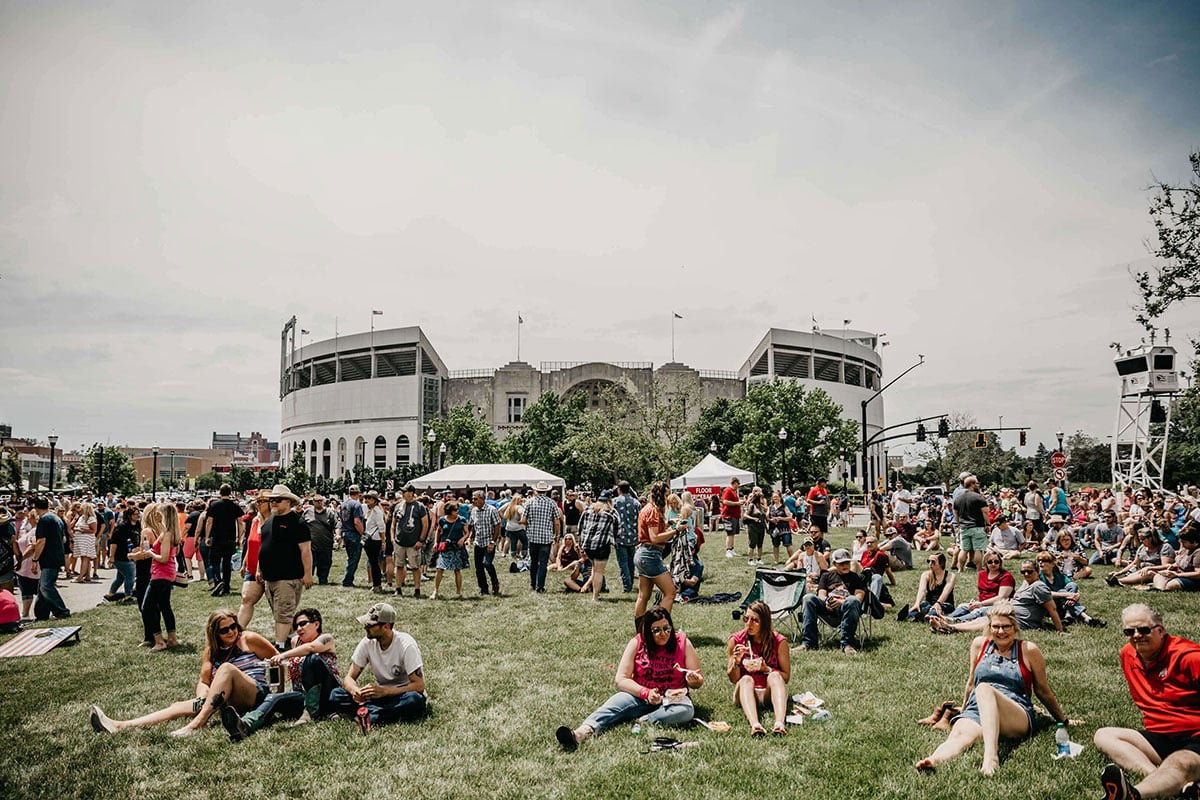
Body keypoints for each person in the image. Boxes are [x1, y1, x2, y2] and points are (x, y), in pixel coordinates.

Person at [915, 602, 1068, 775]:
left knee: (984, 689)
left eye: (1006, 627)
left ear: (1015, 627)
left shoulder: (1028, 650)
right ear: (989, 626)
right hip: (978, 709)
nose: (1001, 632)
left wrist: (1063, 720)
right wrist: (964, 712)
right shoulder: (980, 645)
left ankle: (991, 758)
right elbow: (971, 682)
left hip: (1014, 712)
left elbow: (1043, 690)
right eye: (996, 626)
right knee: (959, 735)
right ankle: (934, 760)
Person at [90, 609, 278, 736]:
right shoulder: (211, 650)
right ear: (214, 633)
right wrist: (203, 696)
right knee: (178, 706)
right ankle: (120, 726)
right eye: (224, 630)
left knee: (227, 669)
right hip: (223, 698)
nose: (231, 632)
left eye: (233, 626)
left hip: (254, 694)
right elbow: (204, 681)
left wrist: (279, 696)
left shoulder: (249, 639)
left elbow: (279, 660)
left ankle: (196, 724)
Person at [556, 606, 703, 750]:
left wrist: (694, 681)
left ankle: (643, 720)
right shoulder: (637, 643)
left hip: (673, 700)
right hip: (640, 696)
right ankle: (581, 733)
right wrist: (646, 693)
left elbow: (698, 680)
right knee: (613, 705)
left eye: (666, 628)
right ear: (647, 632)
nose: (663, 634)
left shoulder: (683, 643)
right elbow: (621, 679)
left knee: (686, 711)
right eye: (656, 630)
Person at [1093, 603, 1200, 800]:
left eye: (1143, 629)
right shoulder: (1128, 654)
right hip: (1161, 736)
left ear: (1160, 630)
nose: (1136, 635)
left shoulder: (1190, 657)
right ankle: (1162, 779)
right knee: (1104, 735)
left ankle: (1134, 795)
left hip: (1196, 735)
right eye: (1129, 631)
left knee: (1180, 761)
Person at [220, 607, 342, 741]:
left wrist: (282, 655)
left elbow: (311, 648)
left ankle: (311, 713)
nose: (299, 629)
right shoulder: (295, 642)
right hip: (303, 696)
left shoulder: (326, 639)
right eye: (296, 626)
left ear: (316, 624)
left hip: (328, 694)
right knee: (274, 698)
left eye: (303, 623)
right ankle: (244, 725)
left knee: (311, 659)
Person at [328, 603, 427, 731]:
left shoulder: (406, 645)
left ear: (385, 626)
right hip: (379, 697)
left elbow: (419, 686)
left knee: (414, 700)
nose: (365, 627)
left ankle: (369, 715)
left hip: (402, 695)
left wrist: (385, 691)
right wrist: (355, 691)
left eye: (370, 625)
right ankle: (374, 714)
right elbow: (348, 678)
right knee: (336, 695)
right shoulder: (367, 643)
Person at [931, 560, 1063, 634]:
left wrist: (1060, 630)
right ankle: (949, 624)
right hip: (1008, 612)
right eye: (1023, 571)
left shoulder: (1039, 586)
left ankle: (951, 628)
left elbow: (1052, 609)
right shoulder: (1026, 583)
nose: (1026, 574)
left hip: (1022, 620)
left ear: (1037, 572)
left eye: (1030, 571)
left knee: (987, 622)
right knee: (982, 619)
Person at [256, 485, 313, 649]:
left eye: (277, 500)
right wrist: (260, 569)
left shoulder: (298, 522)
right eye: (271, 500)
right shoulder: (269, 522)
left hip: (287, 578)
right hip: (269, 577)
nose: (273, 503)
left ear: (288, 502)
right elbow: (264, 547)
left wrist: (308, 574)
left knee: (283, 615)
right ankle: (295, 638)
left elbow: (306, 550)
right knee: (279, 612)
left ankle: (279, 646)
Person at [728, 600, 791, 736]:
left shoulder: (779, 641)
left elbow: (785, 677)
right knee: (746, 679)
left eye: (754, 620)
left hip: (768, 693)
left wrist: (766, 669)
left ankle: (779, 723)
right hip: (745, 692)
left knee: (775, 675)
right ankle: (755, 725)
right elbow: (733, 679)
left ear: (765, 622)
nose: (748, 624)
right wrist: (737, 662)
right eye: (746, 618)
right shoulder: (736, 640)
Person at [799, 548, 866, 654]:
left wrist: (842, 602)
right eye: (841, 563)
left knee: (852, 600)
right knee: (808, 598)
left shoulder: (858, 578)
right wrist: (826, 601)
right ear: (834, 563)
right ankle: (808, 643)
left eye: (847, 562)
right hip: (827, 607)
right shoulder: (826, 576)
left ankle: (847, 644)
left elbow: (859, 597)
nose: (845, 565)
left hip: (846, 608)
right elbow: (821, 594)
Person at [135, 502, 181, 651]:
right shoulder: (168, 532)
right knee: (165, 606)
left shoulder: (167, 534)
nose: (157, 514)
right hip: (166, 574)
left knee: (147, 607)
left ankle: (159, 641)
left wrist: (150, 553)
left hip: (160, 574)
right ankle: (172, 638)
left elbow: (164, 558)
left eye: (160, 513)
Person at [635, 482, 678, 624]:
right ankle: (660, 626)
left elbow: (651, 531)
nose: (667, 499)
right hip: (651, 555)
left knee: (644, 596)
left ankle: (641, 631)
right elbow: (654, 538)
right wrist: (676, 530)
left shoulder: (646, 508)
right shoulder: (653, 511)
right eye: (666, 495)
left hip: (642, 553)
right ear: (661, 495)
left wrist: (668, 523)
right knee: (670, 592)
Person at [1034, 551, 1105, 628]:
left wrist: (1077, 595)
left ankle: (1068, 614)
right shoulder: (1038, 577)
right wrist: (1068, 595)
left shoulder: (1058, 574)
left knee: (1072, 585)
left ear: (1052, 564)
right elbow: (1046, 593)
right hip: (1048, 607)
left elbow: (1073, 588)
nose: (1040, 563)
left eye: (1044, 561)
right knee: (1062, 591)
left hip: (1062, 604)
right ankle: (1086, 618)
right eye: (1038, 561)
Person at [27, 496, 71, 620]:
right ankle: (41, 615)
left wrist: (35, 560)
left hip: (49, 557)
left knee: (46, 586)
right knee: (42, 587)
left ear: (35, 507)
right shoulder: (56, 518)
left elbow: (41, 541)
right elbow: (64, 539)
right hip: (56, 555)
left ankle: (62, 611)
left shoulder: (44, 520)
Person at [578, 490, 619, 602]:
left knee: (594, 569)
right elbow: (617, 529)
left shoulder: (588, 509)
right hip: (602, 545)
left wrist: (580, 542)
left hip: (588, 545)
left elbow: (580, 526)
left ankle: (594, 593)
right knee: (599, 571)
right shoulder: (611, 512)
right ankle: (595, 596)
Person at [236, 495, 271, 628]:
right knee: (246, 599)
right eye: (257, 501)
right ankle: (237, 633)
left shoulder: (273, 521)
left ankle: (289, 635)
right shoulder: (256, 520)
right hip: (251, 568)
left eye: (262, 501)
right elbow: (251, 544)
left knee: (277, 608)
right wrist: (244, 562)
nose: (258, 504)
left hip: (267, 568)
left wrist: (259, 568)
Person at [204, 484, 243, 597]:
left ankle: (218, 581)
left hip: (217, 538)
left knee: (214, 561)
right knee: (227, 563)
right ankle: (226, 586)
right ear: (230, 492)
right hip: (230, 538)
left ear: (220, 492)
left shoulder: (215, 505)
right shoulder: (235, 506)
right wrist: (239, 538)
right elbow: (240, 522)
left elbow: (209, 521)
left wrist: (207, 537)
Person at [523, 482, 562, 594]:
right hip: (546, 537)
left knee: (534, 561)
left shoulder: (529, 502)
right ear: (546, 491)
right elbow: (557, 522)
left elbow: (524, 520)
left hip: (533, 536)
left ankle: (533, 583)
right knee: (543, 562)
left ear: (536, 491)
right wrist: (557, 535)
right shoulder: (552, 503)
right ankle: (540, 586)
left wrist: (529, 526)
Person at [392, 485, 429, 597]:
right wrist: (393, 538)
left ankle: (417, 589)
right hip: (399, 541)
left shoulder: (419, 507)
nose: (405, 494)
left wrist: (421, 540)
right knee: (399, 565)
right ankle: (398, 588)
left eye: (407, 492)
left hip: (413, 542)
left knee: (415, 567)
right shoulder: (399, 506)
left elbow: (425, 524)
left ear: (412, 493)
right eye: (404, 492)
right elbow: (394, 524)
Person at [1108, 528, 1175, 588]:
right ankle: (1118, 581)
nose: (1140, 541)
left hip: (1158, 573)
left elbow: (1166, 566)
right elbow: (1135, 563)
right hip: (1141, 571)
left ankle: (1119, 581)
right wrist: (1120, 572)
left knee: (1149, 573)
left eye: (1142, 539)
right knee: (1142, 572)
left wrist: (1149, 568)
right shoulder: (1142, 547)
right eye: (1139, 539)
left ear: (1151, 538)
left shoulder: (1165, 547)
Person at [899, 552, 956, 622]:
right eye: (928, 561)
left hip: (945, 603)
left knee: (934, 611)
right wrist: (917, 603)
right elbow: (922, 590)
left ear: (941, 563)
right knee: (922, 606)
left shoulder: (950, 576)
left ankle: (925, 617)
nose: (930, 564)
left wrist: (938, 603)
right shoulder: (926, 575)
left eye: (933, 562)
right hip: (929, 603)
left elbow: (946, 592)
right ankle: (907, 615)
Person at [468, 490, 502, 596]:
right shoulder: (473, 511)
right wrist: (469, 538)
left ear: (482, 499)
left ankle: (495, 583)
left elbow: (497, 526)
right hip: (478, 542)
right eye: (472, 498)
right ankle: (483, 588)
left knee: (487, 563)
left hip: (488, 541)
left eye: (475, 499)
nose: (473, 501)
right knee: (478, 567)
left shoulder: (492, 510)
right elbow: (473, 526)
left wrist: (493, 541)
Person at [102, 506, 139, 602]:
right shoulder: (122, 527)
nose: (138, 515)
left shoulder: (138, 525)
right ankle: (128, 596)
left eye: (138, 513)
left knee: (120, 577)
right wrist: (111, 557)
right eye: (135, 514)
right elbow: (114, 543)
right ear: (130, 516)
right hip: (121, 556)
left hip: (131, 554)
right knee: (130, 575)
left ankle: (110, 594)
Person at [952, 475, 988, 571]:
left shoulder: (958, 498)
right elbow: (985, 511)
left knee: (964, 549)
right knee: (978, 549)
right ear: (972, 484)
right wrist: (988, 523)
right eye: (976, 483)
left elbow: (955, 513)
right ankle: (979, 569)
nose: (978, 485)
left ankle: (960, 570)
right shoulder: (979, 497)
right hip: (977, 526)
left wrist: (960, 523)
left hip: (964, 527)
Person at [1153, 524, 1200, 591]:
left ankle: (1164, 588)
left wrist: (1177, 575)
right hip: (1179, 574)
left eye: (1184, 542)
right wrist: (1173, 566)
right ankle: (1161, 590)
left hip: (1193, 579)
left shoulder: (1198, 552)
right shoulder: (1185, 549)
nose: (1182, 544)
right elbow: (1179, 562)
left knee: (1172, 585)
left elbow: (1198, 574)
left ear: (1194, 541)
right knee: (1158, 576)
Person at [303, 495, 337, 585]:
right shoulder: (307, 512)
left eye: (320, 500)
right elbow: (302, 525)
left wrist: (338, 535)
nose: (319, 502)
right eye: (316, 501)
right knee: (310, 563)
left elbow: (336, 526)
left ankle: (323, 580)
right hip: (311, 545)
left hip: (326, 544)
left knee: (325, 564)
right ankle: (309, 579)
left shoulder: (330, 513)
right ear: (313, 502)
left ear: (323, 501)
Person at [339, 485, 366, 588]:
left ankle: (348, 579)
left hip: (345, 532)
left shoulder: (343, 504)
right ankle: (347, 580)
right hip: (354, 534)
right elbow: (357, 522)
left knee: (350, 557)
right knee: (354, 558)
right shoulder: (357, 505)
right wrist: (362, 533)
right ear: (358, 493)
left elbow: (341, 520)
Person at [362, 491, 386, 594]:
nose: (367, 500)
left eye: (369, 498)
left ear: (374, 501)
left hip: (375, 540)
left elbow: (381, 528)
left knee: (374, 563)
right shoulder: (370, 511)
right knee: (372, 562)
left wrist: (383, 541)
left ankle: (377, 584)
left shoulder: (377, 512)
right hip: (369, 539)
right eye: (366, 498)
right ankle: (376, 584)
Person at [767, 490, 795, 564]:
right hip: (774, 528)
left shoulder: (784, 507)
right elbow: (767, 517)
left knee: (788, 544)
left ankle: (792, 559)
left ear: (780, 498)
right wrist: (771, 520)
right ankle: (776, 560)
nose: (775, 498)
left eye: (777, 497)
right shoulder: (770, 507)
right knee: (775, 544)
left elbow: (790, 517)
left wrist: (781, 518)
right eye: (774, 497)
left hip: (784, 528)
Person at [742, 487, 768, 566]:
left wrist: (767, 527)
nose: (762, 499)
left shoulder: (761, 507)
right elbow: (745, 515)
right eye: (760, 498)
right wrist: (754, 518)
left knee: (760, 544)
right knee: (752, 543)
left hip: (761, 527)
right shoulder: (752, 506)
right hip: (753, 527)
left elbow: (764, 517)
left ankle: (759, 559)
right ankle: (750, 559)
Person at [720, 476, 744, 558]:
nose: (738, 486)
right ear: (734, 483)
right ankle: (728, 550)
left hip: (734, 515)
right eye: (738, 484)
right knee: (730, 533)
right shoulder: (728, 490)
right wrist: (737, 503)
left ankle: (732, 549)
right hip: (729, 515)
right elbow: (725, 501)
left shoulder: (733, 491)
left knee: (733, 533)